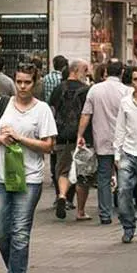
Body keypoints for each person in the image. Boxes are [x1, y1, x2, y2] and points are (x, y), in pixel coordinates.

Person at [0, 62, 57, 273]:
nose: (22, 87)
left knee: (20, 232)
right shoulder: (3, 104)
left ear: (35, 84)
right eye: (19, 82)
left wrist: (21, 139)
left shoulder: (42, 110)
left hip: (30, 177)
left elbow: (48, 145)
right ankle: (15, 267)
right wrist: (1, 139)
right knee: (0, 231)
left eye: (27, 82)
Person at [78, 60, 131, 224]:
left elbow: (86, 114)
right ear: (122, 72)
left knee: (103, 177)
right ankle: (124, 211)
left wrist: (80, 135)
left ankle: (105, 213)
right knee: (125, 177)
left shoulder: (95, 90)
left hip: (101, 138)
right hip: (123, 140)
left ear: (106, 71)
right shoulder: (127, 91)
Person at [113, 66, 137, 241]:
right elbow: (120, 127)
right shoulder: (125, 102)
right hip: (128, 152)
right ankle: (128, 227)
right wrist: (117, 153)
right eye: (135, 79)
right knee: (123, 191)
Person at [49, 60, 90, 220]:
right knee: (81, 171)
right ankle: (79, 208)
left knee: (63, 169)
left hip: (61, 135)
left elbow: (52, 110)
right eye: (85, 70)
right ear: (76, 70)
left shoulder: (59, 88)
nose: (86, 74)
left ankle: (62, 195)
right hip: (80, 136)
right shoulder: (85, 90)